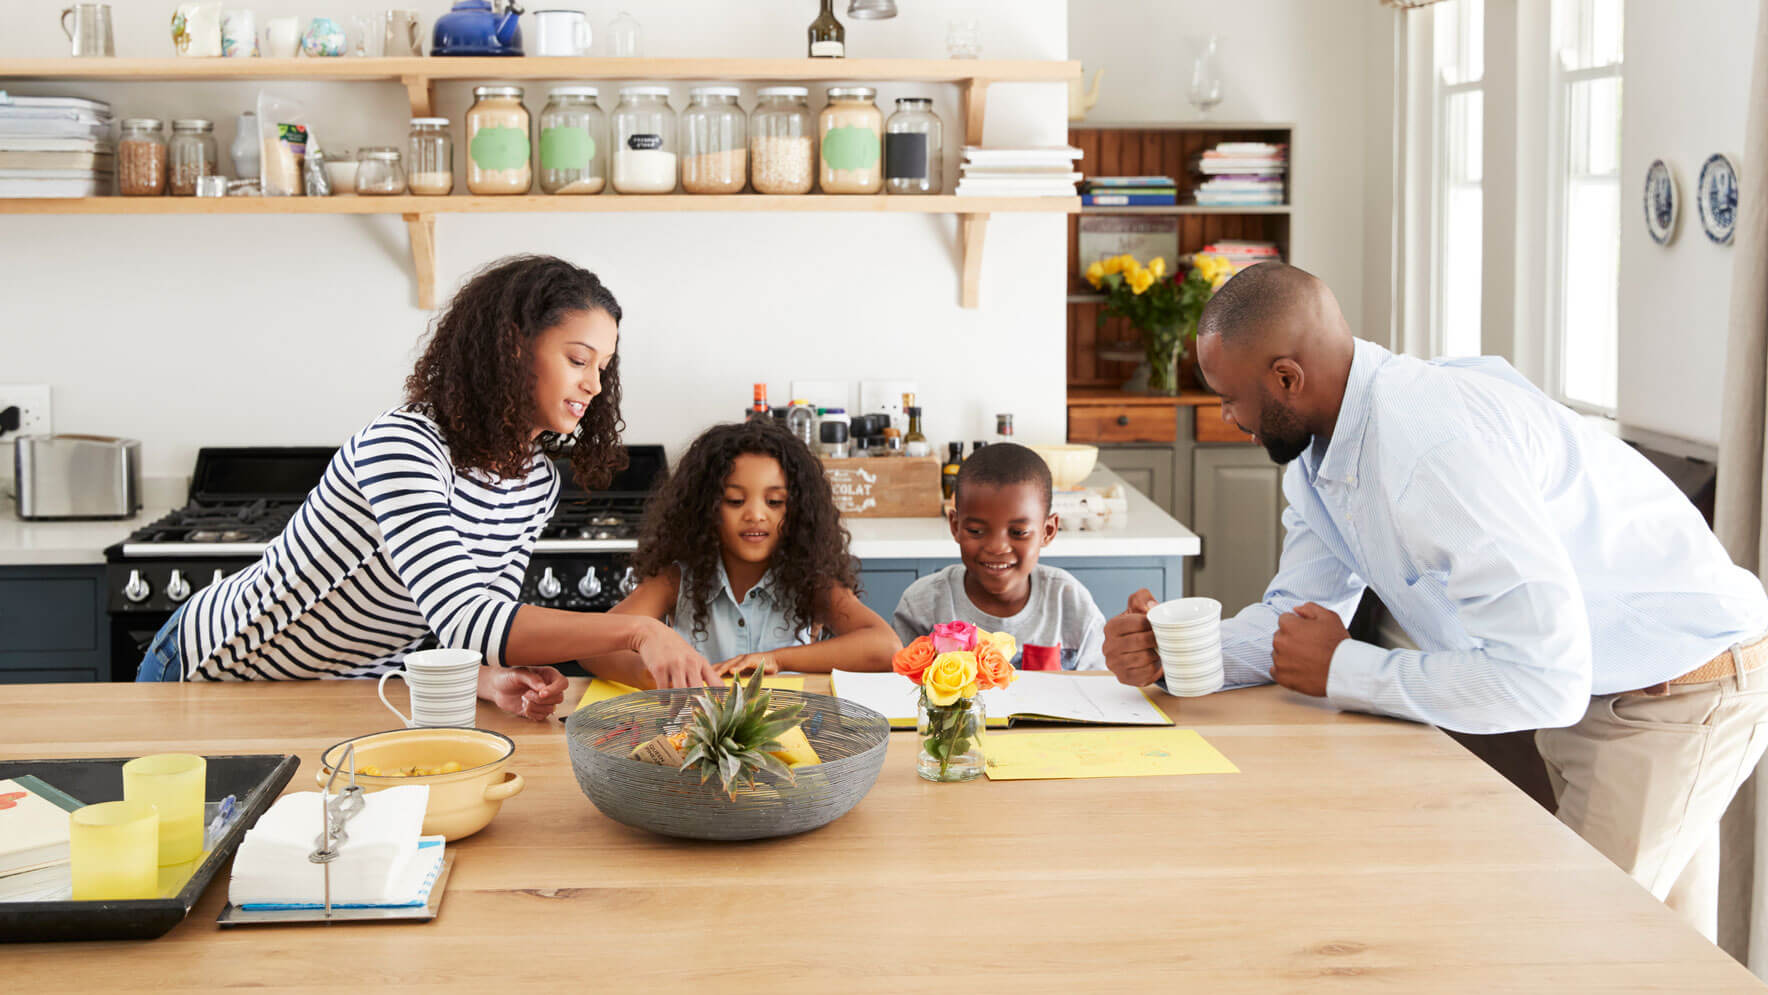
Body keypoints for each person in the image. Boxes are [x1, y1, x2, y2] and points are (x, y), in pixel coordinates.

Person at [1100, 260, 1768, 937]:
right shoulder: (1319, 455)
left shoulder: (1431, 450)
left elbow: (1545, 678)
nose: (1226, 415)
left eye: (1230, 397)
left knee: (1571, 947)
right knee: (1663, 956)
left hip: (1680, 687)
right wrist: (1173, 651)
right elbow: (1296, 617)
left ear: (1285, 379)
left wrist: (1345, 669)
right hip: (1599, 682)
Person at [135, 255, 721, 717]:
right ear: (513, 347)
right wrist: (641, 632)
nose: (593, 384)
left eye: (603, 366)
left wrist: (489, 680)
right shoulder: (406, 447)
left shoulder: (534, 481)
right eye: (577, 358)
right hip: (214, 669)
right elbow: (470, 618)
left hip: (342, 687)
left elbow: (462, 631)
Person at [592, 419, 900, 678]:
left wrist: (777, 659)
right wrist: (656, 676)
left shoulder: (809, 581)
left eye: (775, 502)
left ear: (797, 511)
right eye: (735, 501)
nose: (755, 514)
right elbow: (595, 646)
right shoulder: (675, 580)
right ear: (706, 508)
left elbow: (886, 647)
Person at [894, 442, 1106, 671]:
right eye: (976, 531)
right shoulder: (922, 605)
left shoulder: (1071, 603)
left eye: (1018, 533)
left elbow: (1098, 688)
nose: (997, 547)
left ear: (1048, 531)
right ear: (955, 526)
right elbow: (901, 691)